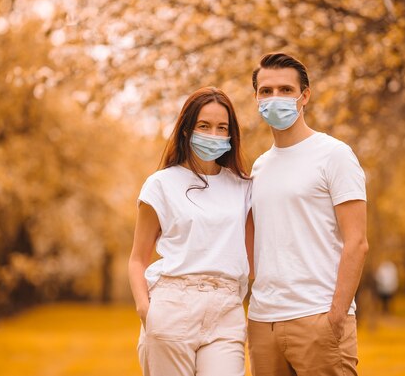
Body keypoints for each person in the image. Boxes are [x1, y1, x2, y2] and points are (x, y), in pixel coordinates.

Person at [246, 53, 369, 376]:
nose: (276, 98)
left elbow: (357, 242)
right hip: (263, 322)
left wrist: (336, 316)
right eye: (267, 91)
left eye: (286, 90)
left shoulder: (334, 155)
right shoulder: (258, 167)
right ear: (257, 98)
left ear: (305, 96)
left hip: (318, 318)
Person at [128, 87, 251, 376]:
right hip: (173, 306)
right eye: (204, 126)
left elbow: (252, 253)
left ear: (231, 135)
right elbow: (137, 258)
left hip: (227, 309)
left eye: (222, 128)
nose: (214, 134)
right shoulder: (161, 184)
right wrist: (146, 310)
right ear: (186, 130)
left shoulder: (244, 186)